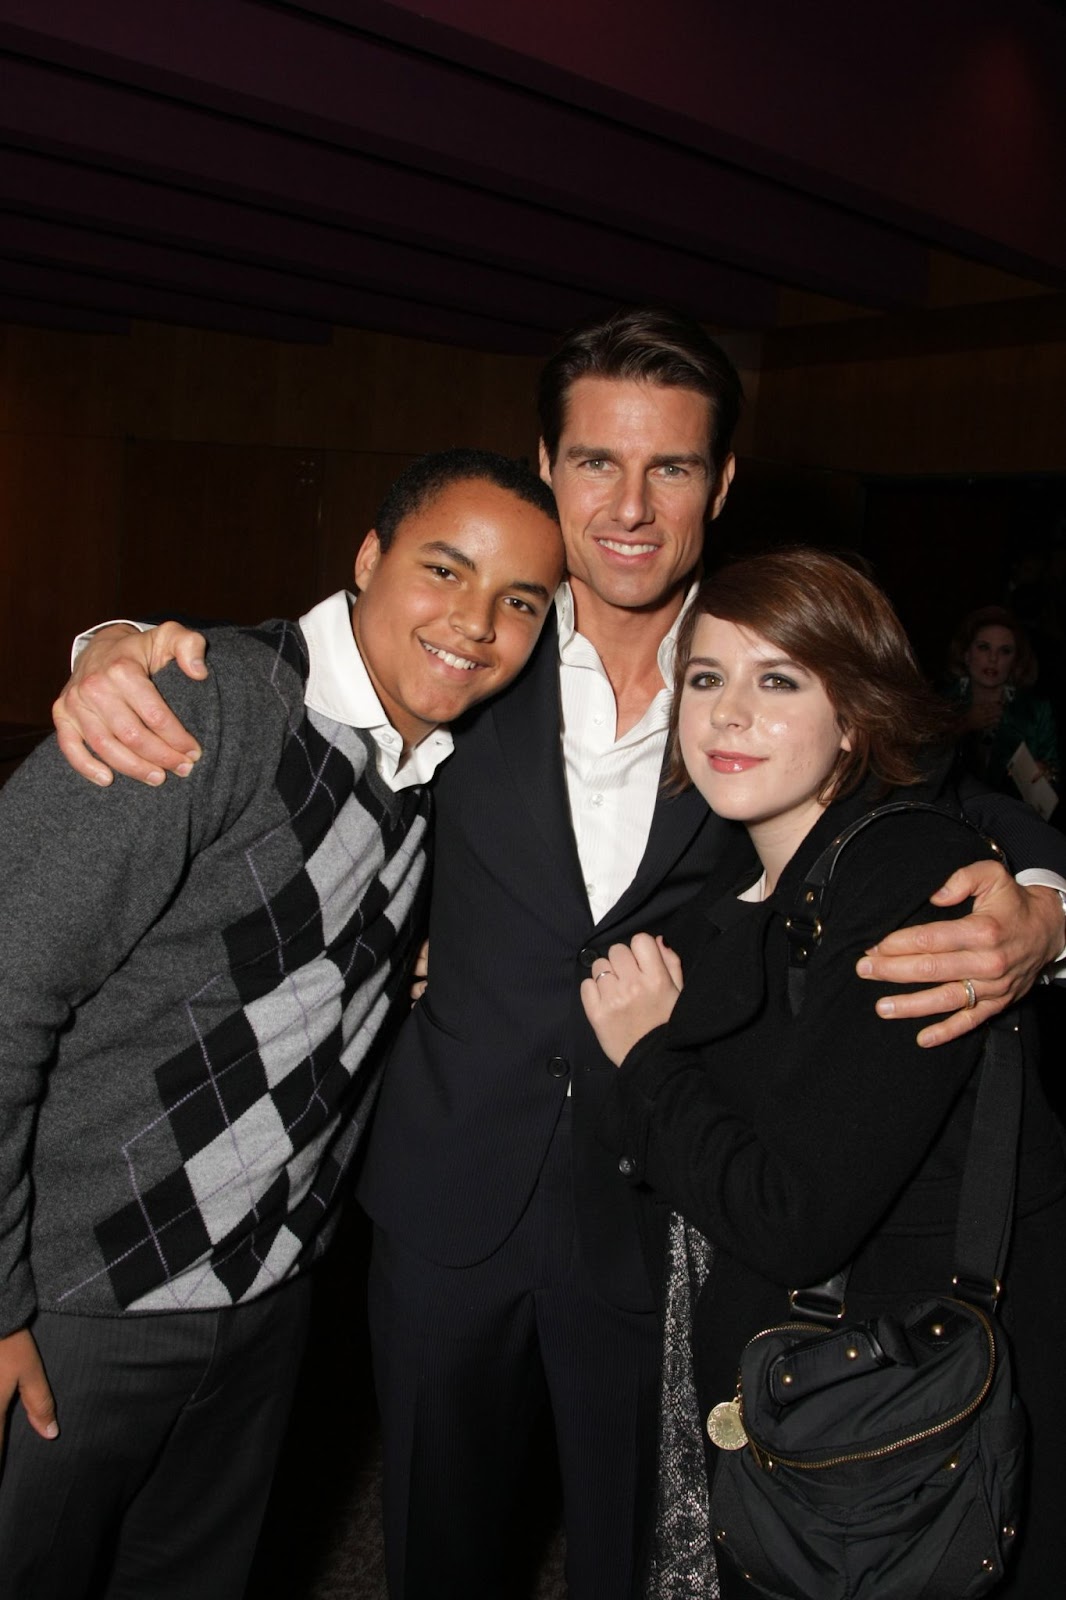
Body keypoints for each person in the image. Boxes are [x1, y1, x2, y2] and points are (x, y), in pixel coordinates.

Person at [49, 310, 1066, 1599]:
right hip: (444, 1198)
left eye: (673, 468)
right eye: (596, 462)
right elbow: (269, 654)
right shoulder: (471, 647)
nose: (631, 506)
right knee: (437, 1549)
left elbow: (957, 790)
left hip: (666, 1210)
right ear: (548, 464)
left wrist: (1046, 902)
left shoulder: (766, 662)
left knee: (646, 1557)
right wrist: (108, 648)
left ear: (722, 481)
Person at [0, 449, 564, 1600]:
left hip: (263, 1306)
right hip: (74, 1304)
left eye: (520, 601)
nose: (474, 622)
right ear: (367, 557)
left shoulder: (436, 775)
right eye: (443, 570)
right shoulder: (203, 702)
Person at [582, 548, 1066, 1598]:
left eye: (779, 678)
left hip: (896, 1419)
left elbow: (792, 1213)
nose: (728, 713)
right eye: (706, 678)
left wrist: (646, 1051)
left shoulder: (900, 881)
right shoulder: (742, 868)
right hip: (811, 1397)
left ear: (854, 716)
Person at [946, 605, 1059, 798]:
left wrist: (1046, 773)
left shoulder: (1036, 710)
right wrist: (962, 725)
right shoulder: (942, 701)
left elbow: (1054, 771)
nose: (993, 659)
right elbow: (919, 763)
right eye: (984, 647)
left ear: (1015, 660)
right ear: (966, 654)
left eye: (1005, 651)